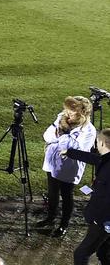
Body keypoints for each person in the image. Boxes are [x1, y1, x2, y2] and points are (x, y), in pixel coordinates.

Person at [46, 129, 110, 265]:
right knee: (104, 253)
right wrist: (71, 152)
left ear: (102, 143)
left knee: (81, 253)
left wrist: (97, 219)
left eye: (98, 142)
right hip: (103, 219)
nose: (96, 145)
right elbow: (95, 159)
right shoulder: (106, 159)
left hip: (103, 220)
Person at [37, 96, 97, 237]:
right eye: (68, 109)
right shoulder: (61, 118)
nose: (69, 113)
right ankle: (50, 217)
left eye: (73, 111)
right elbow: (47, 136)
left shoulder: (89, 131)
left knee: (66, 195)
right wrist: (62, 139)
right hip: (53, 162)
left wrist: (61, 138)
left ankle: (64, 224)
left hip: (69, 168)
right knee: (52, 192)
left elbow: (78, 150)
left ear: (83, 113)